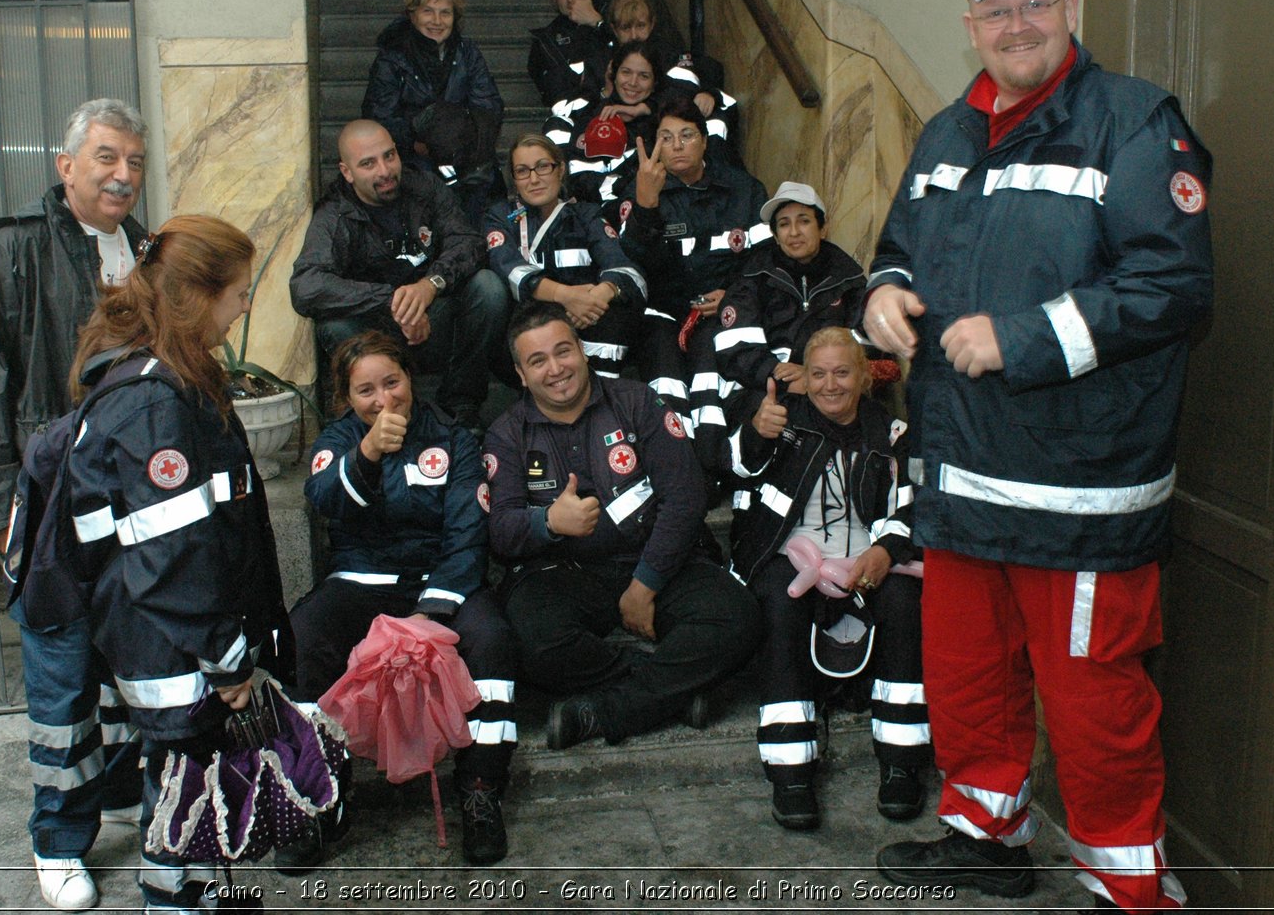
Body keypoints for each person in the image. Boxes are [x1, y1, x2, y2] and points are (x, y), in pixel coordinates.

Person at [867, 0, 1212, 914]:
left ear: (1065, 6)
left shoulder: (1134, 121)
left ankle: (1130, 889)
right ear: (970, 23)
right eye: (996, 10)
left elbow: (1172, 286)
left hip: (1080, 487)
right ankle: (986, 835)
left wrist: (1022, 338)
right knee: (967, 677)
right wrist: (884, 294)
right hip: (962, 476)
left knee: (1094, 705)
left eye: (1034, 5)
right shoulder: (943, 133)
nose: (1016, 24)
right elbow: (896, 251)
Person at [0, 98, 147, 911]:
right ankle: (58, 840)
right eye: (105, 158)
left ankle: (124, 789)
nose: (122, 175)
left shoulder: (146, 246)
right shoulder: (15, 252)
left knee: (130, 666)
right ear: (65, 166)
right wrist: (1, 515)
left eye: (133, 160)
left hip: (135, 504)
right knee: (61, 679)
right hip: (48, 508)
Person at [66, 215, 288, 913]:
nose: (247, 305)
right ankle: (178, 901)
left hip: (167, 634)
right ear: (198, 296)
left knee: (184, 773)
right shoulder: (156, 401)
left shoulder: (168, 376)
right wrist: (226, 658)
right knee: (183, 774)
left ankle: (192, 893)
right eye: (240, 292)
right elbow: (172, 556)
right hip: (172, 642)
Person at [484, 300, 761, 750]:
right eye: (537, 361)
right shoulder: (507, 432)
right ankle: (670, 688)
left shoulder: (637, 401)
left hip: (658, 559)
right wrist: (547, 523)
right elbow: (501, 531)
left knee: (738, 617)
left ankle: (603, 710)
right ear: (520, 374)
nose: (555, 369)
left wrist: (644, 586)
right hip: (564, 575)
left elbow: (686, 497)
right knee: (530, 642)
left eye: (563, 351)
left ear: (582, 349)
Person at [292, 331, 518, 864]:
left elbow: (468, 531)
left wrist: (429, 614)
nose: (383, 399)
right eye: (365, 390)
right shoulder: (336, 440)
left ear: (411, 379)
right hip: (360, 578)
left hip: (440, 580)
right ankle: (322, 799)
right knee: (303, 636)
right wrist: (366, 454)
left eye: (392, 382)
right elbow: (322, 500)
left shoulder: (454, 437)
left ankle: (482, 791)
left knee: (492, 639)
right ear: (347, 398)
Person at [726, 329, 927, 831]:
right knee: (778, 601)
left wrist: (884, 551)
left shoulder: (896, 433)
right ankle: (790, 770)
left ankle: (902, 762)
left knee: (906, 599)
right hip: (791, 556)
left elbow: (915, 504)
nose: (829, 385)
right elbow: (733, 467)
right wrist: (754, 434)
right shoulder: (781, 422)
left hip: (872, 559)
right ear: (802, 379)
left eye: (842, 373)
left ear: (864, 377)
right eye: (817, 374)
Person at [288, 120, 510, 429]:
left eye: (389, 156)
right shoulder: (335, 214)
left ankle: (462, 407)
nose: (384, 170)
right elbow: (306, 286)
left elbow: (469, 243)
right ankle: (369, 420)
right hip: (377, 335)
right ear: (347, 172)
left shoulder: (426, 187)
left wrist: (430, 285)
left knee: (488, 288)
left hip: (434, 325)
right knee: (334, 325)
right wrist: (395, 301)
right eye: (368, 164)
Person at [613, 95, 769, 473]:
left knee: (707, 375)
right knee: (665, 380)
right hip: (663, 312)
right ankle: (676, 470)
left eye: (686, 135)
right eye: (666, 138)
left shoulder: (743, 189)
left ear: (704, 141)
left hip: (724, 307)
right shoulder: (640, 189)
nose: (677, 145)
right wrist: (645, 207)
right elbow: (633, 264)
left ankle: (712, 467)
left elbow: (765, 259)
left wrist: (735, 295)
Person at [715, 181, 896, 421]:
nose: (794, 232)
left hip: (833, 396)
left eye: (804, 221)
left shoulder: (849, 280)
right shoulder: (752, 278)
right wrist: (780, 378)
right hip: (763, 396)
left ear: (823, 229)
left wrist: (815, 375)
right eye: (784, 224)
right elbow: (735, 348)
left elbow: (873, 347)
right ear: (776, 236)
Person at [484, 134, 646, 378]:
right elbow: (508, 268)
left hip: (589, 320)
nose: (534, 179)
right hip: (527, 325)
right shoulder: (500, 217)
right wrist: (566, 297)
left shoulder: (586, 215)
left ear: (560, 170)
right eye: (523, 171)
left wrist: (601, 295)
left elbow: (624, 267)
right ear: (514, 180)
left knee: (617, 315)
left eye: (543, 167)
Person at [362, 0, 504, 212]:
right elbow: (378, 117)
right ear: (412, 14)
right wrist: (418, 138)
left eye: (445, 13)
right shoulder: (392, 57)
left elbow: (489, 106)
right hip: (414, 160)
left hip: (466, 154)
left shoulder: (467, 52)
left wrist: (464, 135)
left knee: (486, 191)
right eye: (428, 11)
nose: (437, 21)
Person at [543, 41, 665, 204]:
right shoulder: (591, 115)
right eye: (626, 72)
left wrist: (644, 109)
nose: (633, 82)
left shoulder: (663, 121)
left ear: (654, 82)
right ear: (613, 75)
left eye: (644, 76)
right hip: (589, 212)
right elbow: (576, 180)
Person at [607, 0, 732, 128]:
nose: (634, 35)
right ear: (614, 29)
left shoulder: (668, 53)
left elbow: (685, 89)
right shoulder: (602, 57)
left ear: (652, 24)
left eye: (641, 26)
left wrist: (709, 93)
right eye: (626, 28)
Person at [527, 0, 613, 108]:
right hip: (581, 115)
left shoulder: (617, 15)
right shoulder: (546, 42)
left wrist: (597, 22)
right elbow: (555, 95)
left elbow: (636, 53)